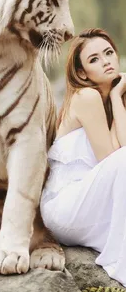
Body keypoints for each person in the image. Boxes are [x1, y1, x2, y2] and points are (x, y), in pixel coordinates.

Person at [40, 28, 126, 286]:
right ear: (81, 73)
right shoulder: (86, 97)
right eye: (94, 59)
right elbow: (113, 158)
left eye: (109, 53)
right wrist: (114, 94)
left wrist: (116, 99)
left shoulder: (111, 103)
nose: (106, 61)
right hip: (64, 206)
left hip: (89, 204)